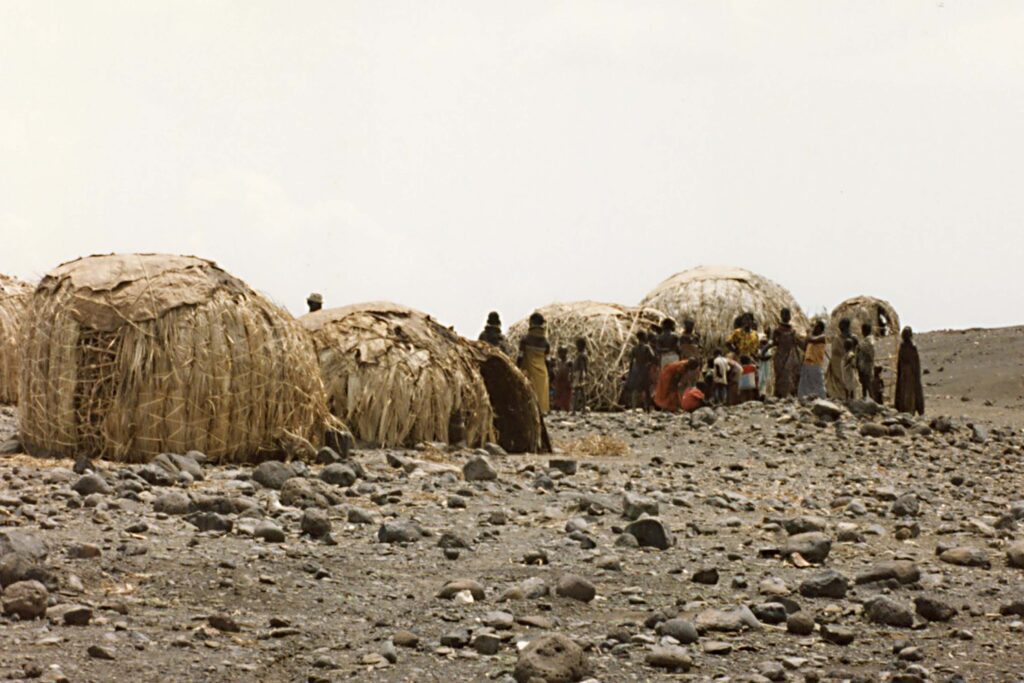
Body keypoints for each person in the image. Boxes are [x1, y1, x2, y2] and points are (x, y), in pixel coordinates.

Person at [519, 312, 551, 414]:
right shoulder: (546, 342)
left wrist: (517, 368)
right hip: (543, 373)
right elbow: (547, 358)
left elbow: (520, 356)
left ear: (532, 323)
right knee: (541, 397)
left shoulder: (525, 339)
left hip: (529, 371)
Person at [770, 308, 801, 398]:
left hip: (791, 355)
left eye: (788, 314)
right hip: (780, 355)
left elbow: (796, 343)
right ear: (781, 316)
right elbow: (773, 342)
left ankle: (790, 394)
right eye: (785, 314)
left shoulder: (793, 331)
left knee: (791, 374)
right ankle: (779, 395)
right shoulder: (777, 330)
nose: (787, 316)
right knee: (780, 375)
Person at [895, 326, 924, 415]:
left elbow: (914, 362)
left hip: (909, 373)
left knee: (909, 392)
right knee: (905, 392)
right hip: (906, 373)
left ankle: (910, 410)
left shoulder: (911, 347)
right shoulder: (905, 347)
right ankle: (906, 409)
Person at [625, 331, 656, 410]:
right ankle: (647, 407)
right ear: (644, 337)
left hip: (636, 369)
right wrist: (649, 365)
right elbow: (653, 358)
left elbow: (631, 361)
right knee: (646, 388)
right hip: (644, 369)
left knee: (635, 389)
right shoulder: (647, 347)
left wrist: (630, 372)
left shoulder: (634, 348)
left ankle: (634, 408)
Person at [826, 318, 855, 399]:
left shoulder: (852, 338)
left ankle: (847, 398)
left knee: (847, 381)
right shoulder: (837, 338)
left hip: (846, 364)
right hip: (837, 364)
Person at [798, 320, 828, 399]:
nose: (814, 328)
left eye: (815, 327)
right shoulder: (811, 338)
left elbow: (811, 339)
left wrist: (808, 333)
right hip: (807, 363)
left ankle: (822, 399)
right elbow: (804, 347)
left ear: (820, 328)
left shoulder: (822, 337)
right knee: (805, 385)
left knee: (818, 384)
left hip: (816, 363)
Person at [856, 323, 876, 399]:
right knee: (864, 385)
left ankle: (872, 399)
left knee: (868, 384)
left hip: (866, 366)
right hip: (863, 366)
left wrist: (859, 346)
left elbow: (868, 350)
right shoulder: (866, 340)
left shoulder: (869, 341)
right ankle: (865, 399)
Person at [552, 347, 573, 412]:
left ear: (565, 353)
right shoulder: (560, 362)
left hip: (566, 382)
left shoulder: (569, 362)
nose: (559, 355)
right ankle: (559, 407)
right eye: (559, 353)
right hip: (560, 382)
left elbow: (571, 372)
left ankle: (567, 409)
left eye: (560, 353)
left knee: (566, 397)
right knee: (559, 395)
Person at [571, 338, 589, 412]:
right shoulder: (583, 355)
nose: (577, 347)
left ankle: (574, 410)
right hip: (580, 374)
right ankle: (583, 409)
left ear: (581, 346)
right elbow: (585, 367)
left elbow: (582, 366)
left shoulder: (581, 355)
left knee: (576, 392)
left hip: (579, 374)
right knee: (582, 392)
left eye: (577, 346)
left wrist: (581, 375)